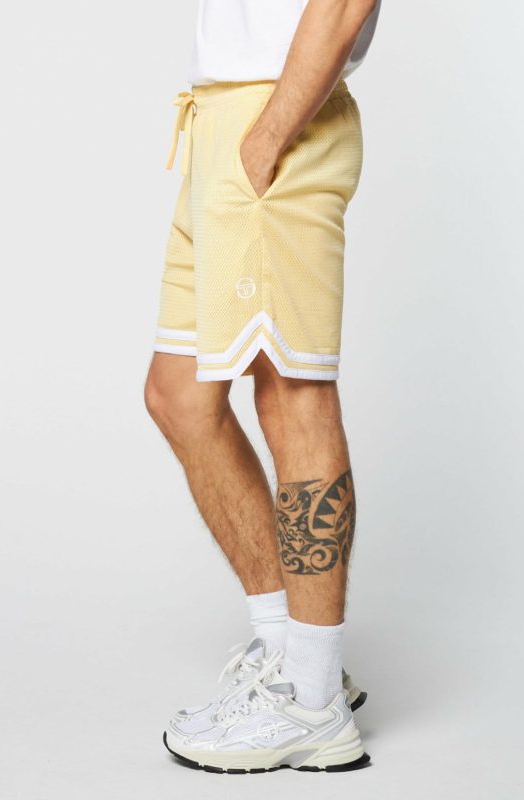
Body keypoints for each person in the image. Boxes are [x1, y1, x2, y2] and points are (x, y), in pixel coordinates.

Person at [145, 0, 380, 773]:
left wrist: (269, 135)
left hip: (276, 118)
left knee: (292, 390)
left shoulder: (271, 130)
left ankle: (310, 704)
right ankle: (289, 656)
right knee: (179, 395)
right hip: (220, 120)